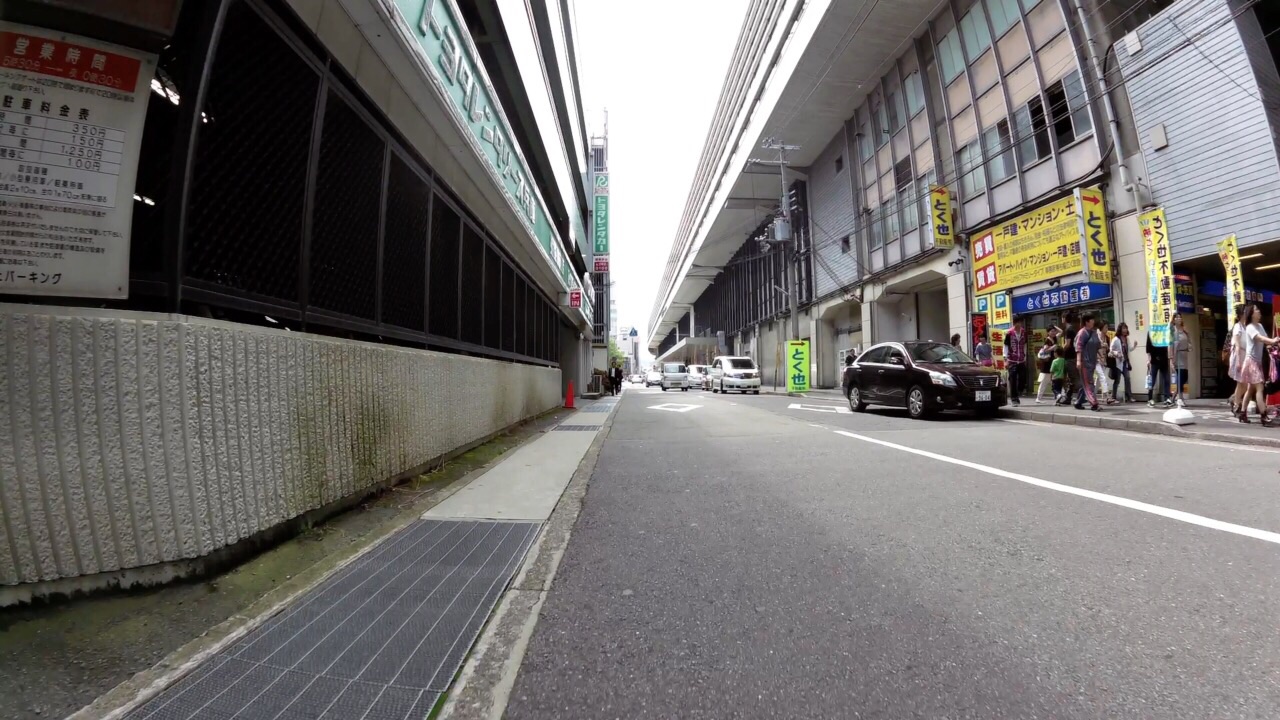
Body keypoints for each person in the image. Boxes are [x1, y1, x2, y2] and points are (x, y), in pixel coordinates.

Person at [1238, 303, 1279, 424]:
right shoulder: (1250, 327)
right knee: (1260, 388)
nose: (1259, 311)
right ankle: (1263, 415)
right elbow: (1260, 338)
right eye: (1256, 310)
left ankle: (1242, 413)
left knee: (1251, 389)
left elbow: (1266, 342)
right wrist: (1273, 340)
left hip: (1257, 362)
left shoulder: (1259, 326)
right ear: (1251, 314)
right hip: (1251, 362)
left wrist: (1273, 345)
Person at [1074, 313, 1101, 411]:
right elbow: (1078, 347)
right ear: (1086, 322)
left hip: (1092, 362)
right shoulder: (1082, 333)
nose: (1093, 321)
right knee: (1089, 383)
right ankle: (1094, 403)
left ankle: (1078, 402)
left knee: (1085, 383)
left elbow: (1097, 345)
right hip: (1084, 362)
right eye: (1091, 320)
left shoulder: (1094, 332)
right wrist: (1078, 361)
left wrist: (1100, 355)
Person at [1110, 323, 1137, 402]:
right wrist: (1117, 353)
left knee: (1127, 378)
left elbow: (1129, 349)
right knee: (1117, 380)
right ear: (1120, 330)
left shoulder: (1126, 339)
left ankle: (1129, 396)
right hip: (1118, 363)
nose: (1125, 330)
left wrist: (1134, 346)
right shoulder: (1116, 339)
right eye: (1123, 328)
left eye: (1126, 328)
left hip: (1125, 362)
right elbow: (1111, 350)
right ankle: (1113, 397)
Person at [1169, 313, 1191, 408]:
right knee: (1180, 377)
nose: (1179, 318)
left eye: (1180, 317)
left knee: (1184, 377)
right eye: (1176, 317)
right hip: (1177, 355)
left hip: (1184, 355)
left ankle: (1173, 397)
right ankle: (1180, 398)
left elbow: (1189, 341)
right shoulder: (1172, 331)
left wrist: (1189, 346)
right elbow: (1170, 346)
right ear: (1174, 320)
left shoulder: (1184, 330)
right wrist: (1171, 359)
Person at [1004, 316, 1027, 406]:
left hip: (1021, 359)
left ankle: (1020, 391)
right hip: (1012, 360)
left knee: (1023, 377)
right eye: (1016, 323)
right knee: (1012, 379)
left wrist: (1025, 356)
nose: (1018, 325)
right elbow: (1005, 346)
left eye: (1019, 323)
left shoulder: (1024, 332)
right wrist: (1005, 359)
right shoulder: (1009, 333)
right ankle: (1014, 399)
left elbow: (1025, 345)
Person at [1146, 330, 1172, 408]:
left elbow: (1168, 343)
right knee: (1152, 380)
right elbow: (1148, 346)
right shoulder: (1151, 330)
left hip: (1164, 358)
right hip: (1154, 358)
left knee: (1166, 379)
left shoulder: (1164, 329)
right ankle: (1150, 399)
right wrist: (1149, 359)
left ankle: (1167, 398)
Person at [1060, 312, 1079, 402]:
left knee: (1072, 377)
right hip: (1072, 356)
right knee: (1072, 377)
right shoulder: (1072, 329)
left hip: (1070, 357)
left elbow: (1067, 344)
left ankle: (1079, 396)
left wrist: (1060, 351)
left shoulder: (1069, 330)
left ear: (1064, 318)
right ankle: (1068, 397)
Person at [1095, 320, 1114, 404]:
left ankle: (1091, 395)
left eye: (1107, 327)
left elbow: (1108, 349)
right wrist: (1102, 345)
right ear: (1101, 327)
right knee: (1102, 377)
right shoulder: (1096, 336)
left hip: (1103, 360)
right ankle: (1107, 396)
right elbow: (1094, 346)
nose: (1107, 329)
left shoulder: (1107, 338)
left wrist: (1109, 351)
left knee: (1099, 379)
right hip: (1096, 359)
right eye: (1105, 327)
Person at [1035, 334, 1056, 403]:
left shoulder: (1053, 340)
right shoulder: (1047, 341)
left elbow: (1060, 332)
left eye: (1054, 331)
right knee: (1045, 383)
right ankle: (1038, 398)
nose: (1053, 332)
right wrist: (1052, 347)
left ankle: (1060, 395)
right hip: (1047, 366)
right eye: (1052, 331)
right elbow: (1045, 350)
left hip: (1051, 365)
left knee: (1054, 381)